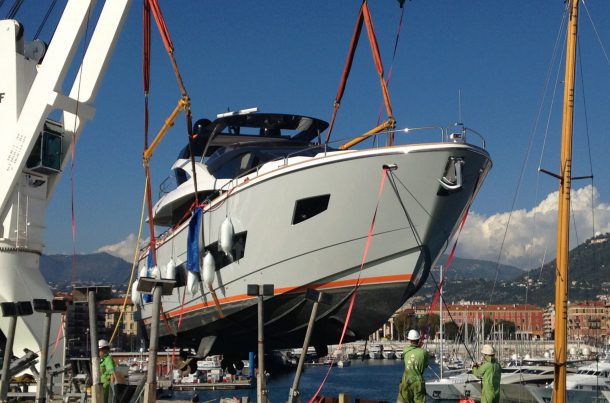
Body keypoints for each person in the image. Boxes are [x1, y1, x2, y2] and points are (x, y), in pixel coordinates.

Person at [397, 329, 429, 403]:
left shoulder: (405, 351)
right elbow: (425, 365)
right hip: (418, 381)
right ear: (418, 339)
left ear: (409, 340)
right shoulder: (423, 352)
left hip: (406, 381)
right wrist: (420, 348)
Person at [98, 339, 115, 403]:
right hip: (102, 385)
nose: (98, 352)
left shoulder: (108, 359)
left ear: (104, 350)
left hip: (106, 387)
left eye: (99, 350)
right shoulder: (103, 359)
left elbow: (112, 374)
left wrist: (111, 388)